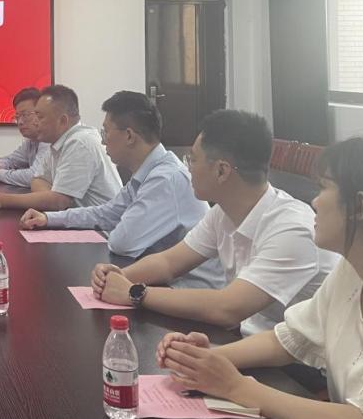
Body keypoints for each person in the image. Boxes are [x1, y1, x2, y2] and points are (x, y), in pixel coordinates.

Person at [156, 130, 363, 419]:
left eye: (324, 188)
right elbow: (289, 339)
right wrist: (204, 359)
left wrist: (235, 387)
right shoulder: (353, 272)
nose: (315, 201)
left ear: (359, 206)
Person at [92, 109, 336, 335]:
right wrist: (116, 277)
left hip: (296, 361)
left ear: (221, 171)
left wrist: (134, 293)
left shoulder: (292, 230)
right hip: (252, 338)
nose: (188, 168)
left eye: (192, 160)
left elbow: (227, 308)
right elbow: (168, 263)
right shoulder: (223, 212)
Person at [20, 91, 215, 268]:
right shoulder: (146, 172)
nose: (103, 140)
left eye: (106, 131)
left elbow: (122, 243)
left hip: (184, 288)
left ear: (129, 136)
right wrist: (48, 219)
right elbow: (106, 213)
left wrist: (117, 226)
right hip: (156, 275)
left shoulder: (165, 179)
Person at [0, 85, 121, 211]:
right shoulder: (56, 142)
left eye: (40, 117)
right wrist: (50, 197)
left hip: (101, 231)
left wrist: (2, 200)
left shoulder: (80, 143)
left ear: (62, 121)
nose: (36, 122)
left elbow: (58, 201)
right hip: (74, 221)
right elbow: (37, 180)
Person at [0, 86, 48, 188]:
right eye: (17, 117)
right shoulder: (31, 140)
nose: (20, 122)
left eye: (25, 115)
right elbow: (12, 160)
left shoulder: (48, 140)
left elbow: (35, 176)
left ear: (40, 113)